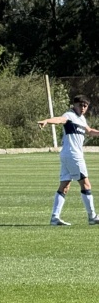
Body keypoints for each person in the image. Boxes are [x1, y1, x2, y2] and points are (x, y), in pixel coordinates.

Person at [38, 95, 99, 226]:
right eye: (80, 105)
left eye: (85, 106)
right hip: (73, 155)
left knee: (64, 186)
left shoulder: (81, 118)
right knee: (86, 184)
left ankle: (55, 217)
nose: (83, 108)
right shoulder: (69, 115)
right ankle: (92, 217)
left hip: (67, 155)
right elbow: (60, 120)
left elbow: (89, 131)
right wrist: (47, 121)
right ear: (74, 105)